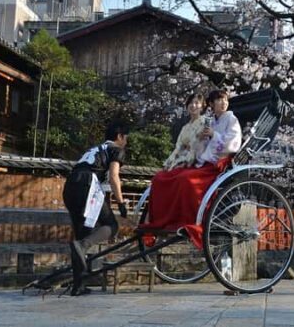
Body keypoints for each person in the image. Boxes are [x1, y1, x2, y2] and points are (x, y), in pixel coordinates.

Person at [144, 89, 242, 248]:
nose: (223, 103)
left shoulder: (231, 119)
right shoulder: (211, 121)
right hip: (202, 161)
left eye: (225, 100)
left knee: (186, 180)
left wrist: (213, 136)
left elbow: (233, 144)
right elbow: (196, 147)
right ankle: (163, 221)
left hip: (218, 163)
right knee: (162, 178)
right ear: (211, 104)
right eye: (219, 100)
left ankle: (189, 221)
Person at [63, 122, 129, 296]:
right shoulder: (116, 149)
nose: (126, 142)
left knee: (80, 234)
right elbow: (114, 176)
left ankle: (79, 286)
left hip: (70, 186)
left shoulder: (94, 149)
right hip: (87, 184)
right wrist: (121, 203)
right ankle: (83, 245)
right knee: (111, 225)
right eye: (125, 138)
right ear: (120, 137)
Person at [161, 92, 209, 170]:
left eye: (197, 103)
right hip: (180, 159)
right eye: (190, 103)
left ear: (202, 107)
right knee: (160, 176)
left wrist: (186, 160)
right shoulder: (185, 127)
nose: (193, 105)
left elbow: (199, 144)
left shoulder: (205, 122)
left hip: (195, 161)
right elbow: (178, 147)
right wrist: (169, 163)